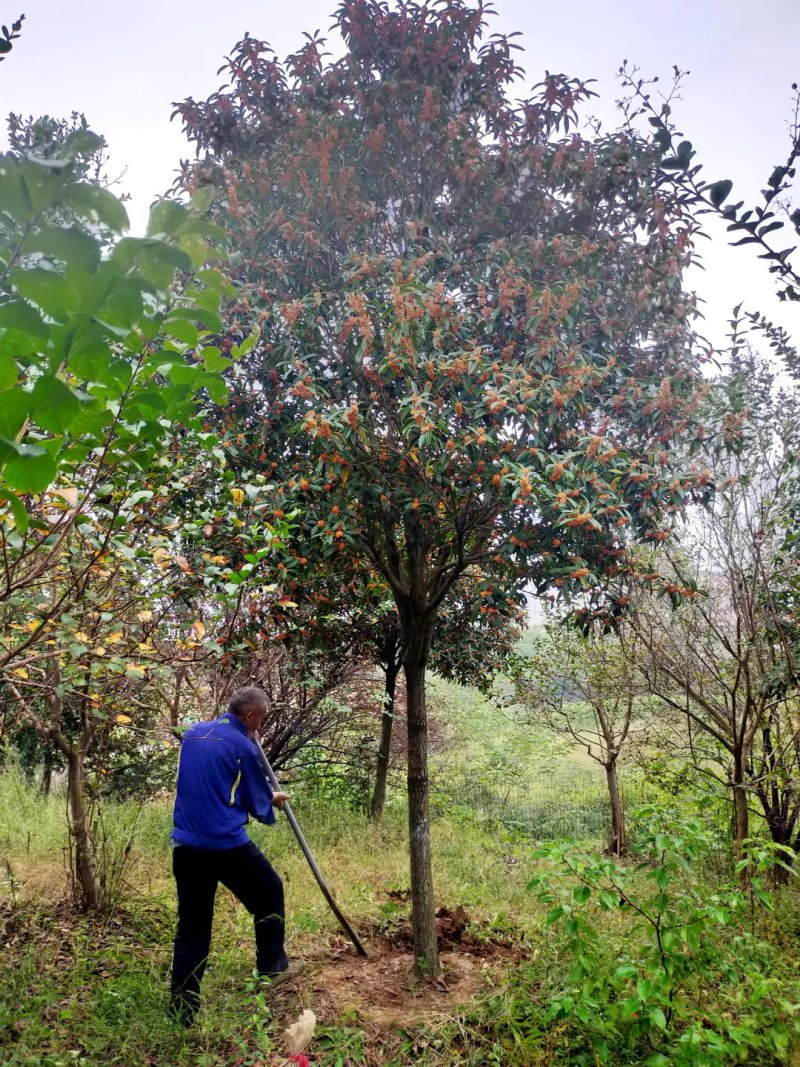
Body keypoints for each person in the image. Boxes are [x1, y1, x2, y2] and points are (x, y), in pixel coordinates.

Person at [169, 686, 298, 1025]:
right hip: (225, 846)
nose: (261, 727)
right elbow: (254, 800)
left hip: (185, 847)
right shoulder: (243, 746)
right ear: (250, 716)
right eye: (262, 720)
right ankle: (271, 965)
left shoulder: (193, 734)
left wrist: (260, 795)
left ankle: (182, 1011)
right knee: (270, 891)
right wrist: (271, 799)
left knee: (193, 929)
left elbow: (215, 784)